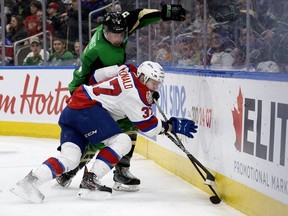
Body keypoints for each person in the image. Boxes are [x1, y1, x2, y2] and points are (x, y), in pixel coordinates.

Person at [10, 61, 198, 203]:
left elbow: (96, 76)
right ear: (142, 77)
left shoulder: (129, 69)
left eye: (158, 83)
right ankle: (91, 182)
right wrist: (172, 126)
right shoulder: (136, 95)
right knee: (123, 141)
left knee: (71, 158)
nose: (156, 86)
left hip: (73, 109)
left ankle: (28, 183)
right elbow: (147, 127)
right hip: (88, 111)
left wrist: (111, 80)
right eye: (153, 82)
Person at [57, 3, 186, 192]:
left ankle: (87, 170)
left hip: (97, 86)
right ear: (106, 31)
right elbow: (117, 82)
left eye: (121, 35)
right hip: (86, 90)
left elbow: (138, 16)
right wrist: (144, 91)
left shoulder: (114, 26)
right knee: (107, 132)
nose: (118, 39)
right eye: (114, 35)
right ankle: (90, 170)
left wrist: (162, 13)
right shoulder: (103, 51)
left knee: (120, 128)